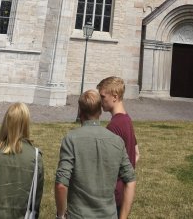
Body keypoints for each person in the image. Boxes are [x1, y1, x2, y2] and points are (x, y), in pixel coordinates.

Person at [55, 89, 136, 219]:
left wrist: (60, 215)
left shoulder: (71, 139)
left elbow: (61, 185)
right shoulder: (117, 141)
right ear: (100, 111)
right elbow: (130, 180)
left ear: (80, 112)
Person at [97, 76, 139, 216]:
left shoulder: (114, 126)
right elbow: (137, 153)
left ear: (114, 96)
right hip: (124, 191)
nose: (100, 101)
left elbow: (105, 165)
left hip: (114, 195)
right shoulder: (126, 119)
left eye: (103, 96)